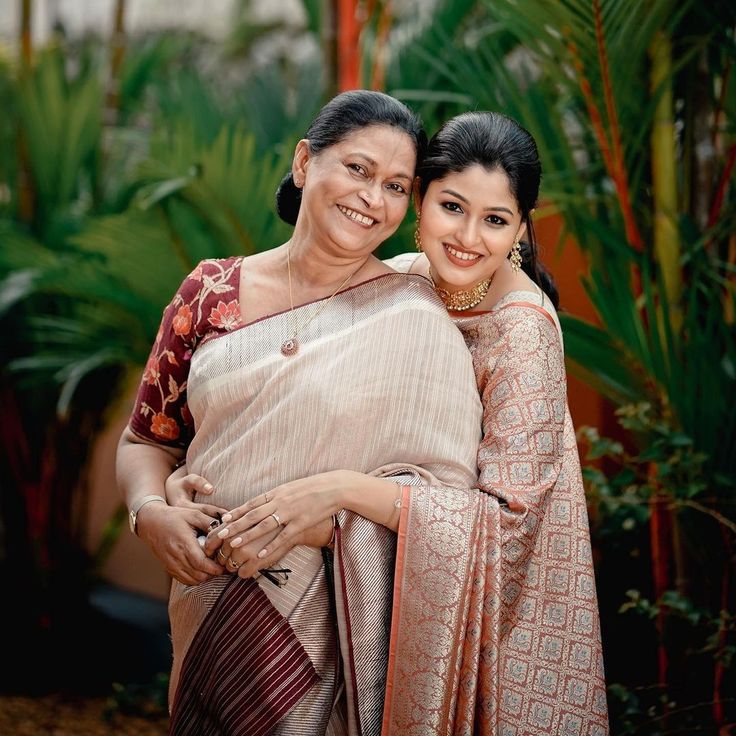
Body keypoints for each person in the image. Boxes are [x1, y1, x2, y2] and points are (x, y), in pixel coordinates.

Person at [179, 111, 609, 734]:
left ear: (521, 227)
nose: (467, 237)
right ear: (420, 201)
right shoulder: (399, 282)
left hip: (487, 634)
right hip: (301, 589)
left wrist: (341, 492)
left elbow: (508, 527)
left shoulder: (522, 332)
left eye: (495, 220)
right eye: (451, 206)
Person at [115, 90, 484, 736]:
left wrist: (330, 512)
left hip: (328, 635)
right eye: (359, 170)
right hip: (205, 606)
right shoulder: (209, 291)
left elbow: (450, 510)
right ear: (305, 162)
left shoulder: (414, 315)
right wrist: (150, 514)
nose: (374, 198)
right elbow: (146, 440)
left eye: (397, 186)